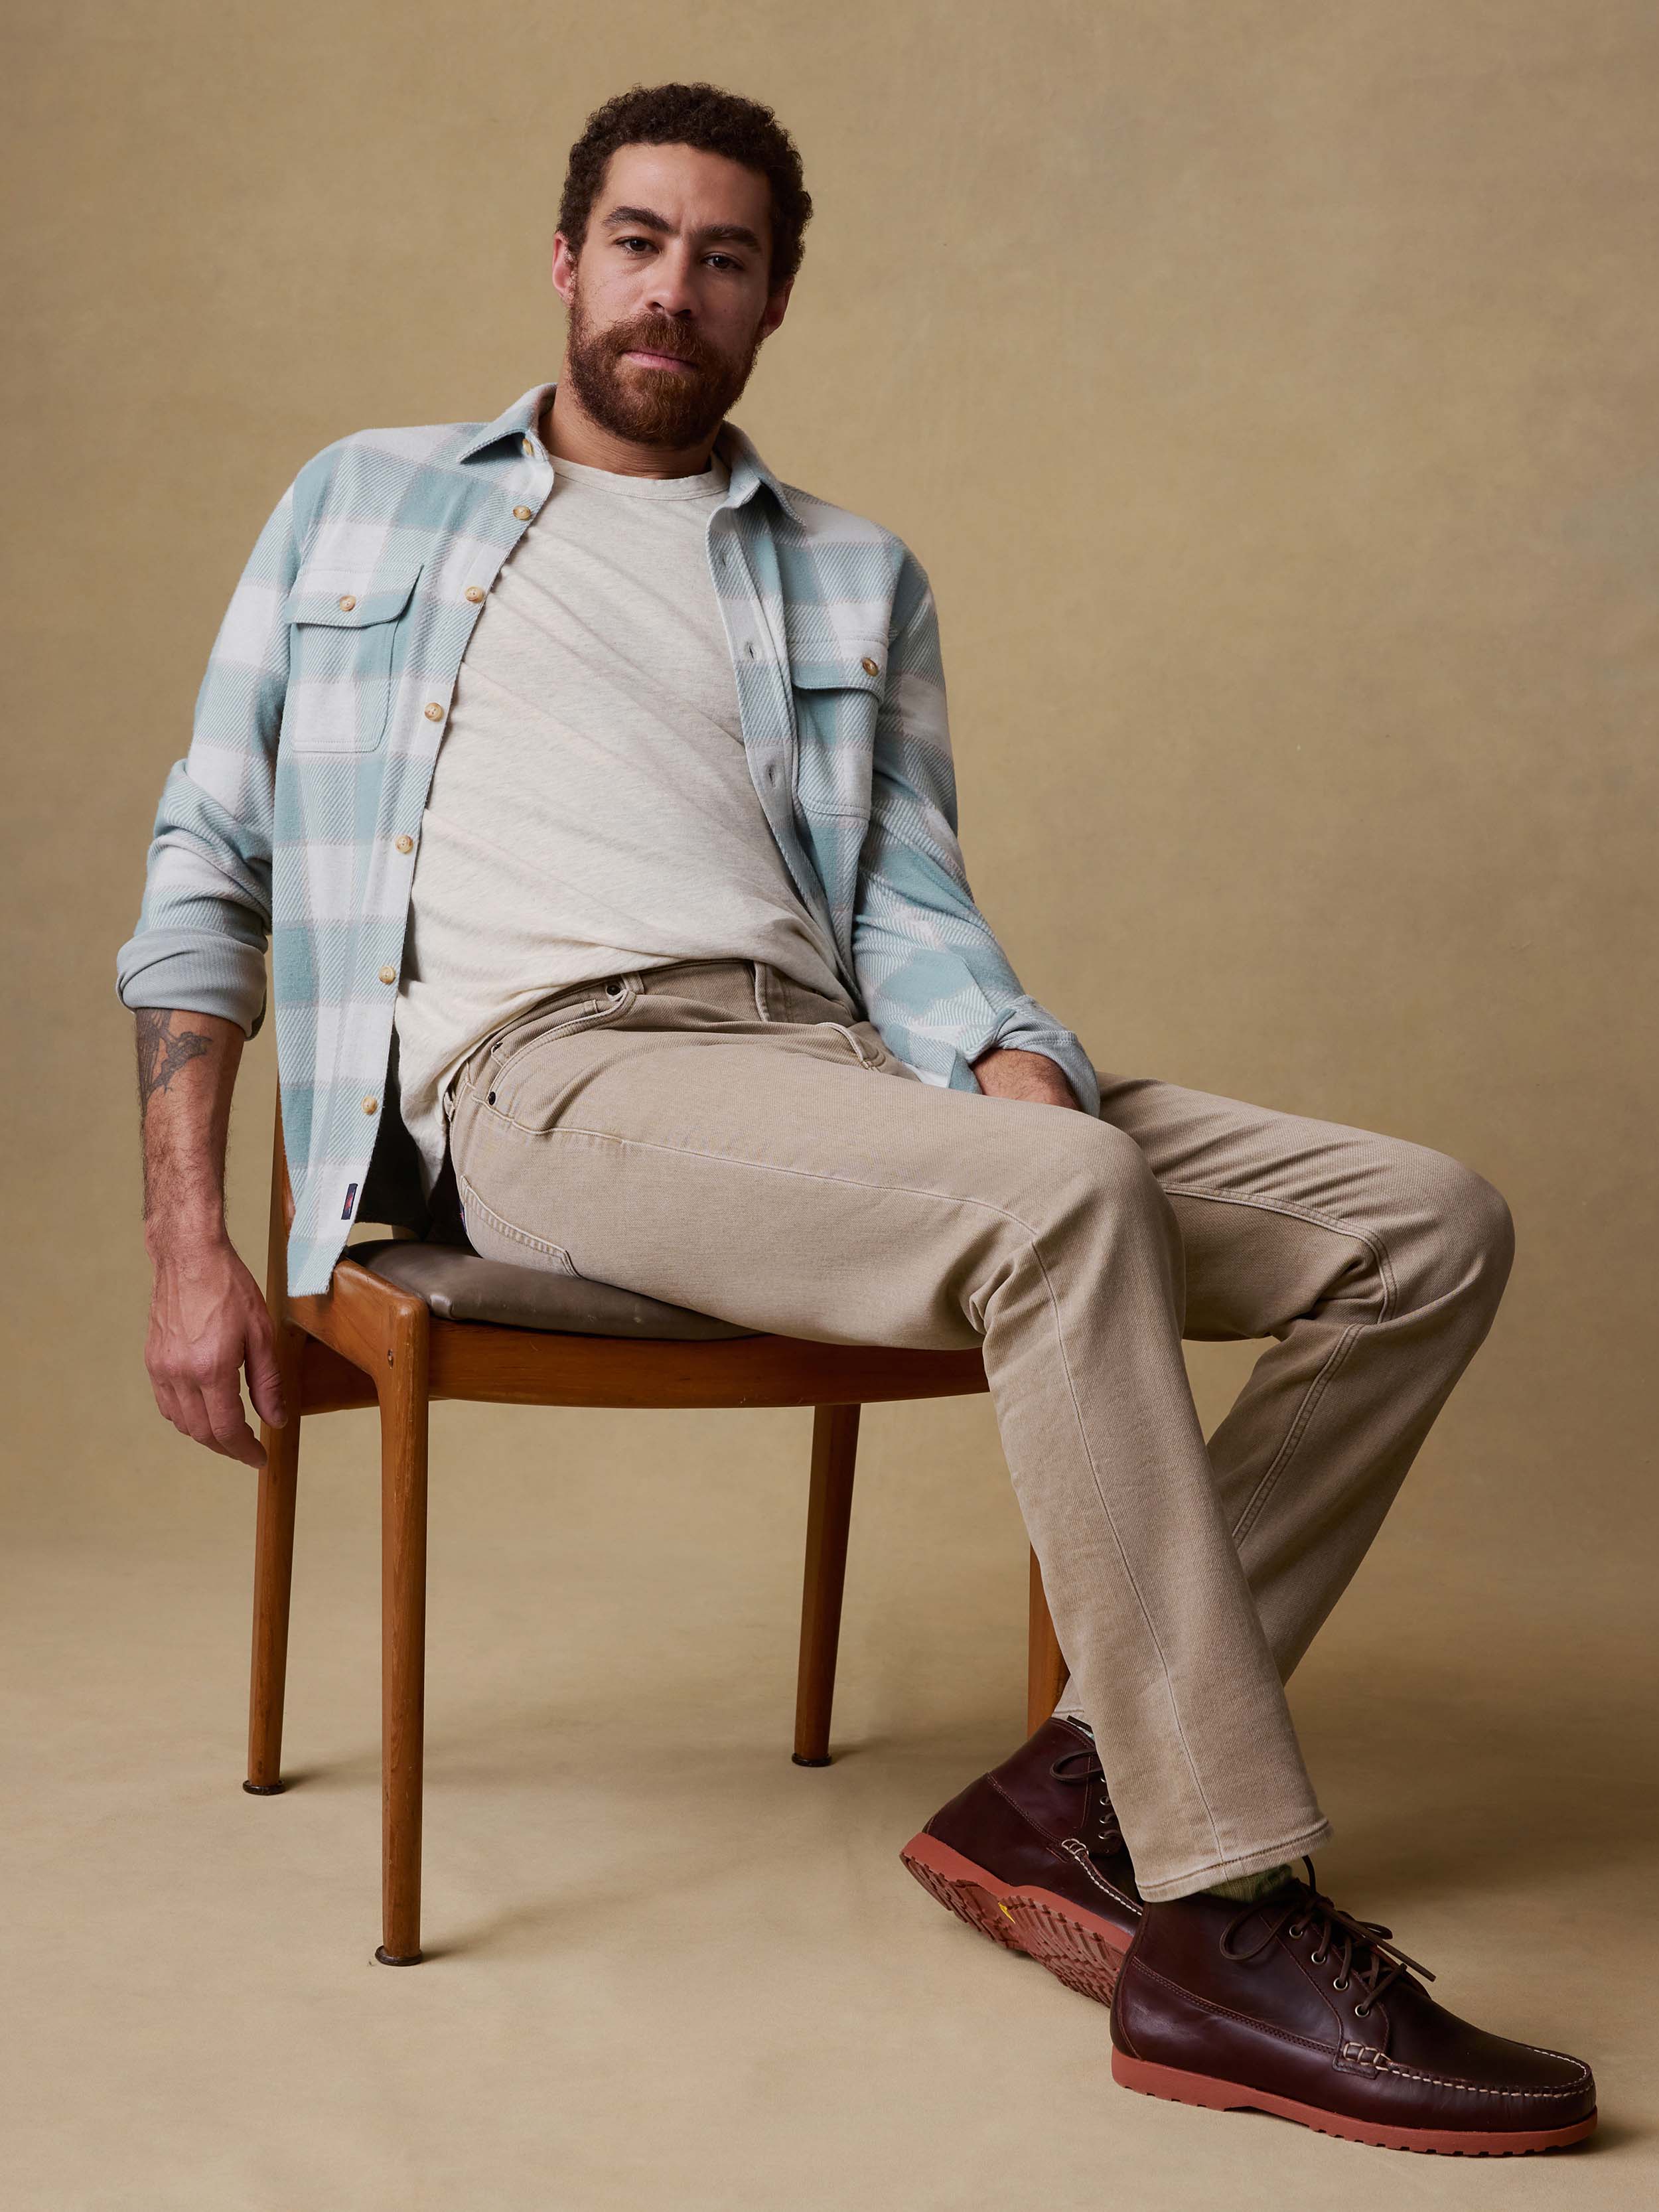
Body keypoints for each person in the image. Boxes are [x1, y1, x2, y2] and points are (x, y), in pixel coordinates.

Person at [117, 80, 1595, 2156]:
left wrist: (1004, 1057)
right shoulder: (360, 507)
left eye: (722, 258)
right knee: (1069, 1204)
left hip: (827, 1072)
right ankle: (1220, 1915)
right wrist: (193, 1245)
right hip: (545, 1080)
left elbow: (908, 901)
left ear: (775, 298)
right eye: (636, 241)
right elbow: (209, 870)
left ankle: (1070, 1785)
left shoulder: (846, 577)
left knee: (1422, 1222)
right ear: (564, 261)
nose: (671, 290)